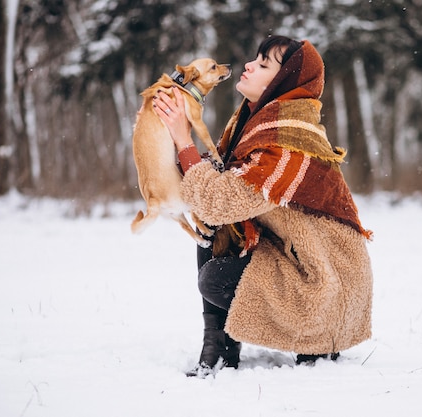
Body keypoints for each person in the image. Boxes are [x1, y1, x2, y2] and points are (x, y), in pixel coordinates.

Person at [153, 35, 373, 377]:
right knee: (211, 230)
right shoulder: (256, 126)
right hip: (295, 259)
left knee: (216, 275)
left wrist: (184, 139)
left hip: (325, 288)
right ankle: (219, 346)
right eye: (255, 58)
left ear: (282, 83)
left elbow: (218, 200)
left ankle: (317, 338)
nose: (249, 65)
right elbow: (215, 190)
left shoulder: (286, 142)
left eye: (264, 64)